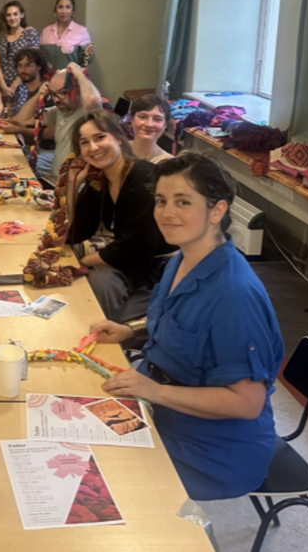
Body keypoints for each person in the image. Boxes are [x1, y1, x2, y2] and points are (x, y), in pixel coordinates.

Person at [91, 153, 284, 501]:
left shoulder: (233, 295)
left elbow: (246, 403)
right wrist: (131, 329)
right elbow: (182, 320)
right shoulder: (182, 258)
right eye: (161, 201)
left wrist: (154, 391)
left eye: (183, 202)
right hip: (165, 405)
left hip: (213, 447)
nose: (166, 213)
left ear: (217, 211)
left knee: (101, 480)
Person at [61, 111, 176, 322]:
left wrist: (82, 262)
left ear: (120, 139)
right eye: (84, 143)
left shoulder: (144, 178)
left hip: (159, 271)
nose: (93, 148)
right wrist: (73, 185)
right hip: (129, 265)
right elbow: (74, 233)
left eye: (99, 137)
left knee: (96, 310)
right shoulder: (100, 180)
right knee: (88, 294)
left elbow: (136, 248)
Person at [3, 62, 104, 184]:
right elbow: (21, 119)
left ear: (76, 89)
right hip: (56, 178)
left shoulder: (86, 112)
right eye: (54, 94)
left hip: (74, 185)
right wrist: (40, 94)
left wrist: (79, 75)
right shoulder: (60, 111)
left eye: (64, 92)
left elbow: (93, 100)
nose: (56, 99)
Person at [0, 0, 40, 100]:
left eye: (15, 14)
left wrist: (14, 87)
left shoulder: (29, 33)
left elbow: (33, 62)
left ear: (22, 15)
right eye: (8, 15)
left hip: (24, 86)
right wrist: (4, 87)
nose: (12, 18)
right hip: (3, 88)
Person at [39, 0, 94, 71]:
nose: (63, 11)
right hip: (49, 79)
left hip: (71, 79)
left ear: (73, 10)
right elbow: (40, 56)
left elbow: (85, 61)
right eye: (60, 7)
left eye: (68, 7)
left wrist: (88, 54)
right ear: (55, 10)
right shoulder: (46, 31)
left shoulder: (81, 31)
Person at [129, 94, 174, 163]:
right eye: (143, 117)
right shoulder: (116, 151)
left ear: (165, 125)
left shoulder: (170, 164)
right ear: (132, 119)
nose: (149, 124)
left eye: (157, 119)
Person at [8, 47, 53, 116]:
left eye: (28, 65)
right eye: (19, 65)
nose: (22, 70)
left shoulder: (46, 90)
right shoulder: (22, 91)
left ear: (39, 67)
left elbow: (44, 123)